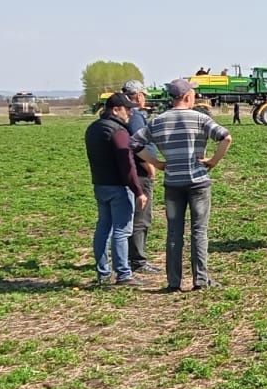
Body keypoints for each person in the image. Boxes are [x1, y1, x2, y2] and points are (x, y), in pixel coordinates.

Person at [132, 78, 231, 291]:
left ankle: (173, 282)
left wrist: (156, 162)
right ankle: (200, 280)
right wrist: (213, 161)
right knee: (199, 231)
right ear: (187, 96)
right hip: (198, 183)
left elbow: (134, 143)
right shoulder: (200, 119)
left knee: (174, 233)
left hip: (173, 184)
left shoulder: (157, 121)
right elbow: (226, 138)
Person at [85, 92, 148, 286]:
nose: (130, 113)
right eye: (127, 109)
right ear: (115, 109)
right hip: (119, 187)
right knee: (122, 230)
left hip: (100, 184)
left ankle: (103, 273)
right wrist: (138, 190)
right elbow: (127, 163)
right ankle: (123, 274)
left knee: (103, 228)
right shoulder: (118, 131)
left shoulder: (93, 129)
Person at [121, 79, 161, 274]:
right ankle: (138, 260)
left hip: (129, 171)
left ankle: (128, 257)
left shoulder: (125, 114)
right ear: (137, 96)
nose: (144, 98)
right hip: (141, 172)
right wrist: (150, 165)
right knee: (141, 217)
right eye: (143, 94)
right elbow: (139, 143)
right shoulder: (135, 116)